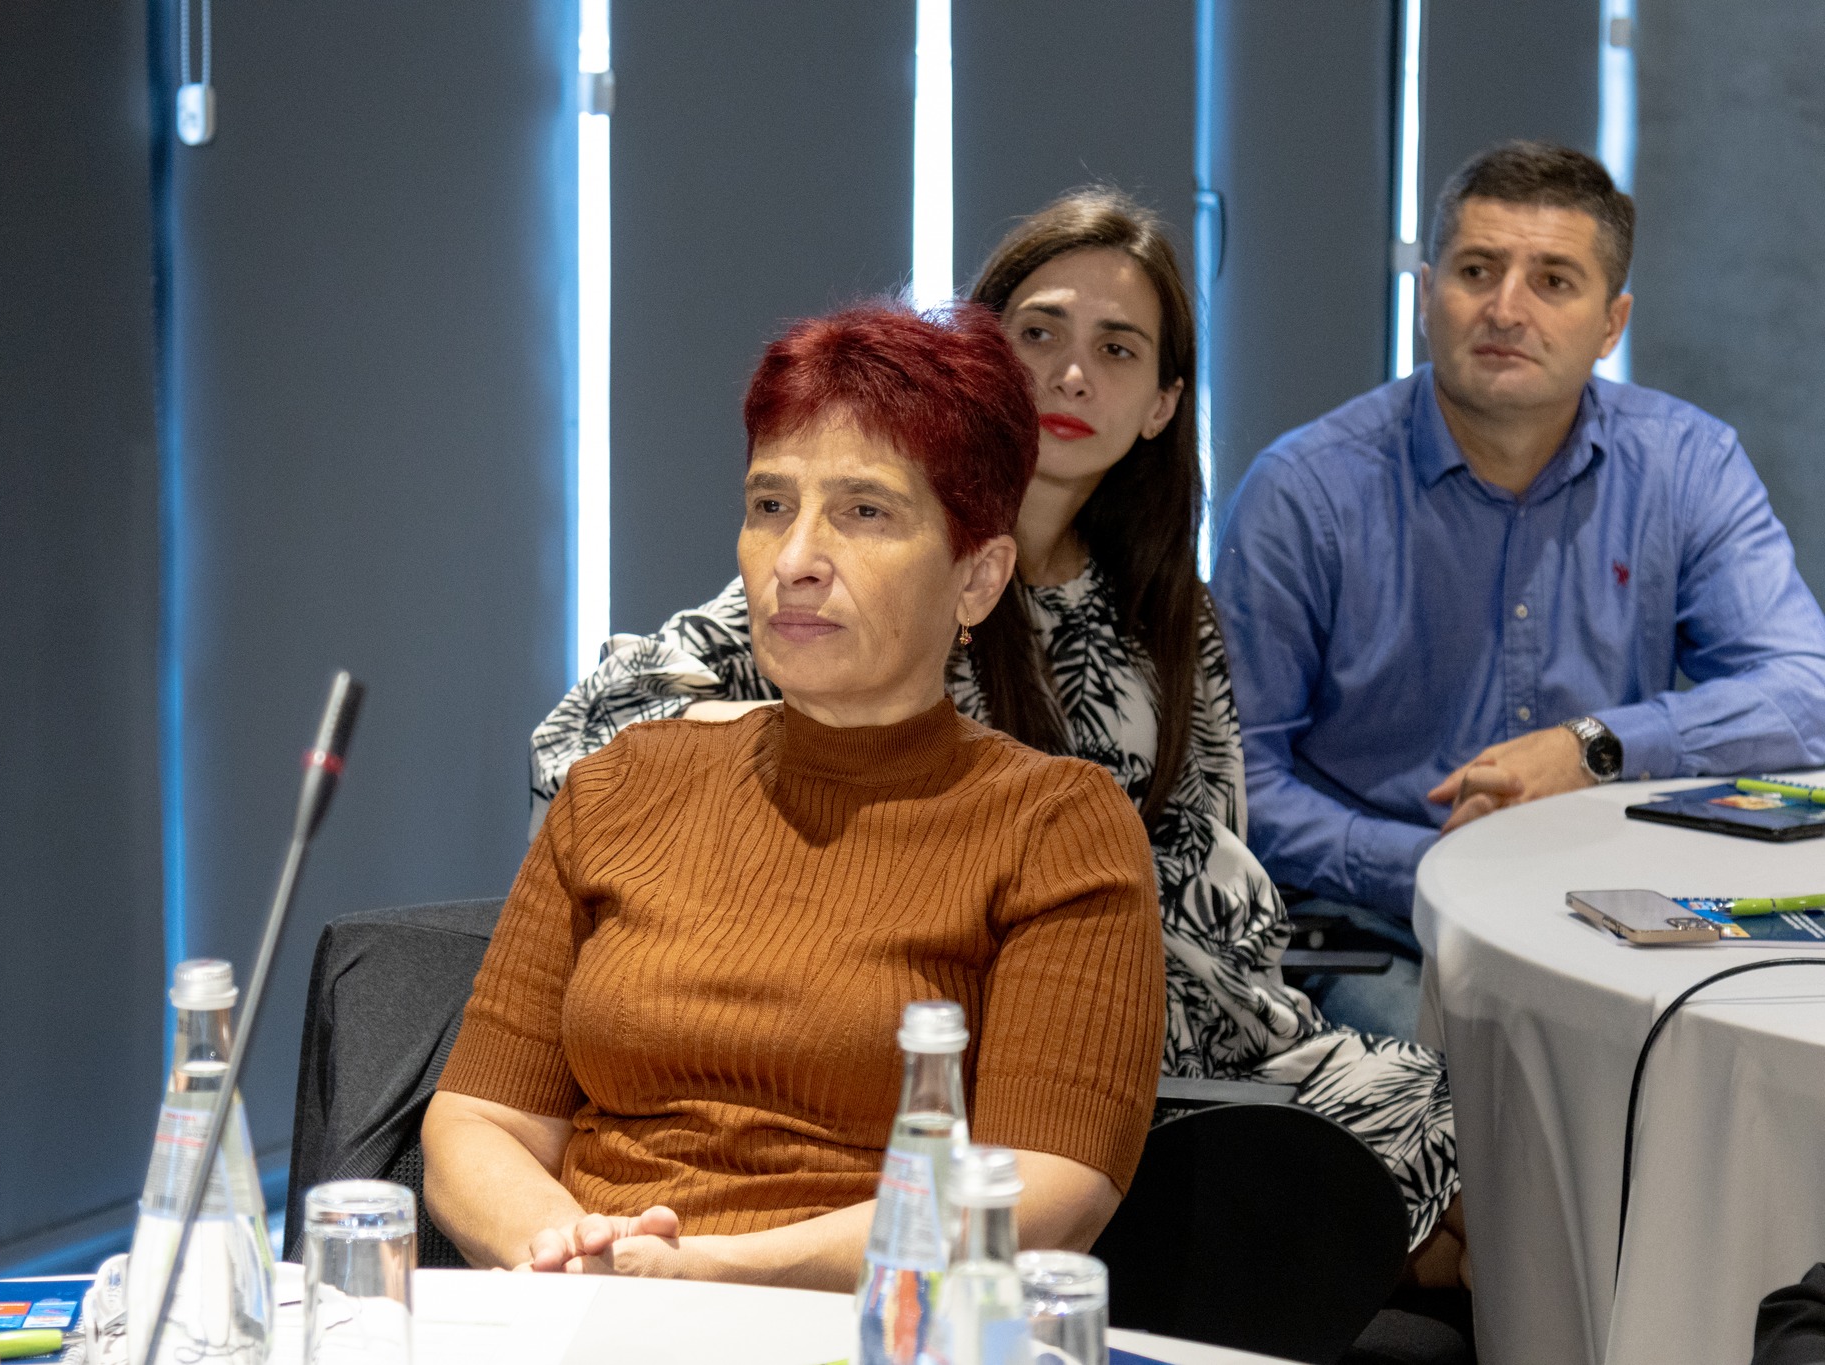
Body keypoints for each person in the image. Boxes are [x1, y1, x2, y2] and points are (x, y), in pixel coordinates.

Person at [528, 189, 1463, 1268]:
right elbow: (584, 736)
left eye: (1116, 350)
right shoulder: (888, 562)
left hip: (1181, 997)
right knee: (1417, 1228)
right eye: (1038, 334)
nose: (1070, 376)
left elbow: (1217, 847)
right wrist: (811, 736)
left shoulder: (1164, 607)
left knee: (1476, 1141)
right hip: (974, 1011)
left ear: (1162, 405)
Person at [421, 302, 1165, 1288]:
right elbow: (478, 1121)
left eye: (864, 512)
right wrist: (572, 1254)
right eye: (771, 505)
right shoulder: (621, 784)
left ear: (978, 578)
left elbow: (1044, 1190)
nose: (794, 559)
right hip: (586, 1308)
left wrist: (706, 1272)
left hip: (866, 1324)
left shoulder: (1055, 827)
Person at [1212, 141, 1825, 1040]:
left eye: (1553, 281)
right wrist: (1440, 861)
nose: (1506, 308)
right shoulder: (1304, 492)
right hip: (1379, 919)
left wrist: (1597, 746)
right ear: (1427, 296)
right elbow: (1238, 779)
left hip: (1616, 902)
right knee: (1464, 1081)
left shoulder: (1687, 465)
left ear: (1611, 323)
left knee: (1733, 1060)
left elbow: (1805, 691)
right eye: (1476, 271)